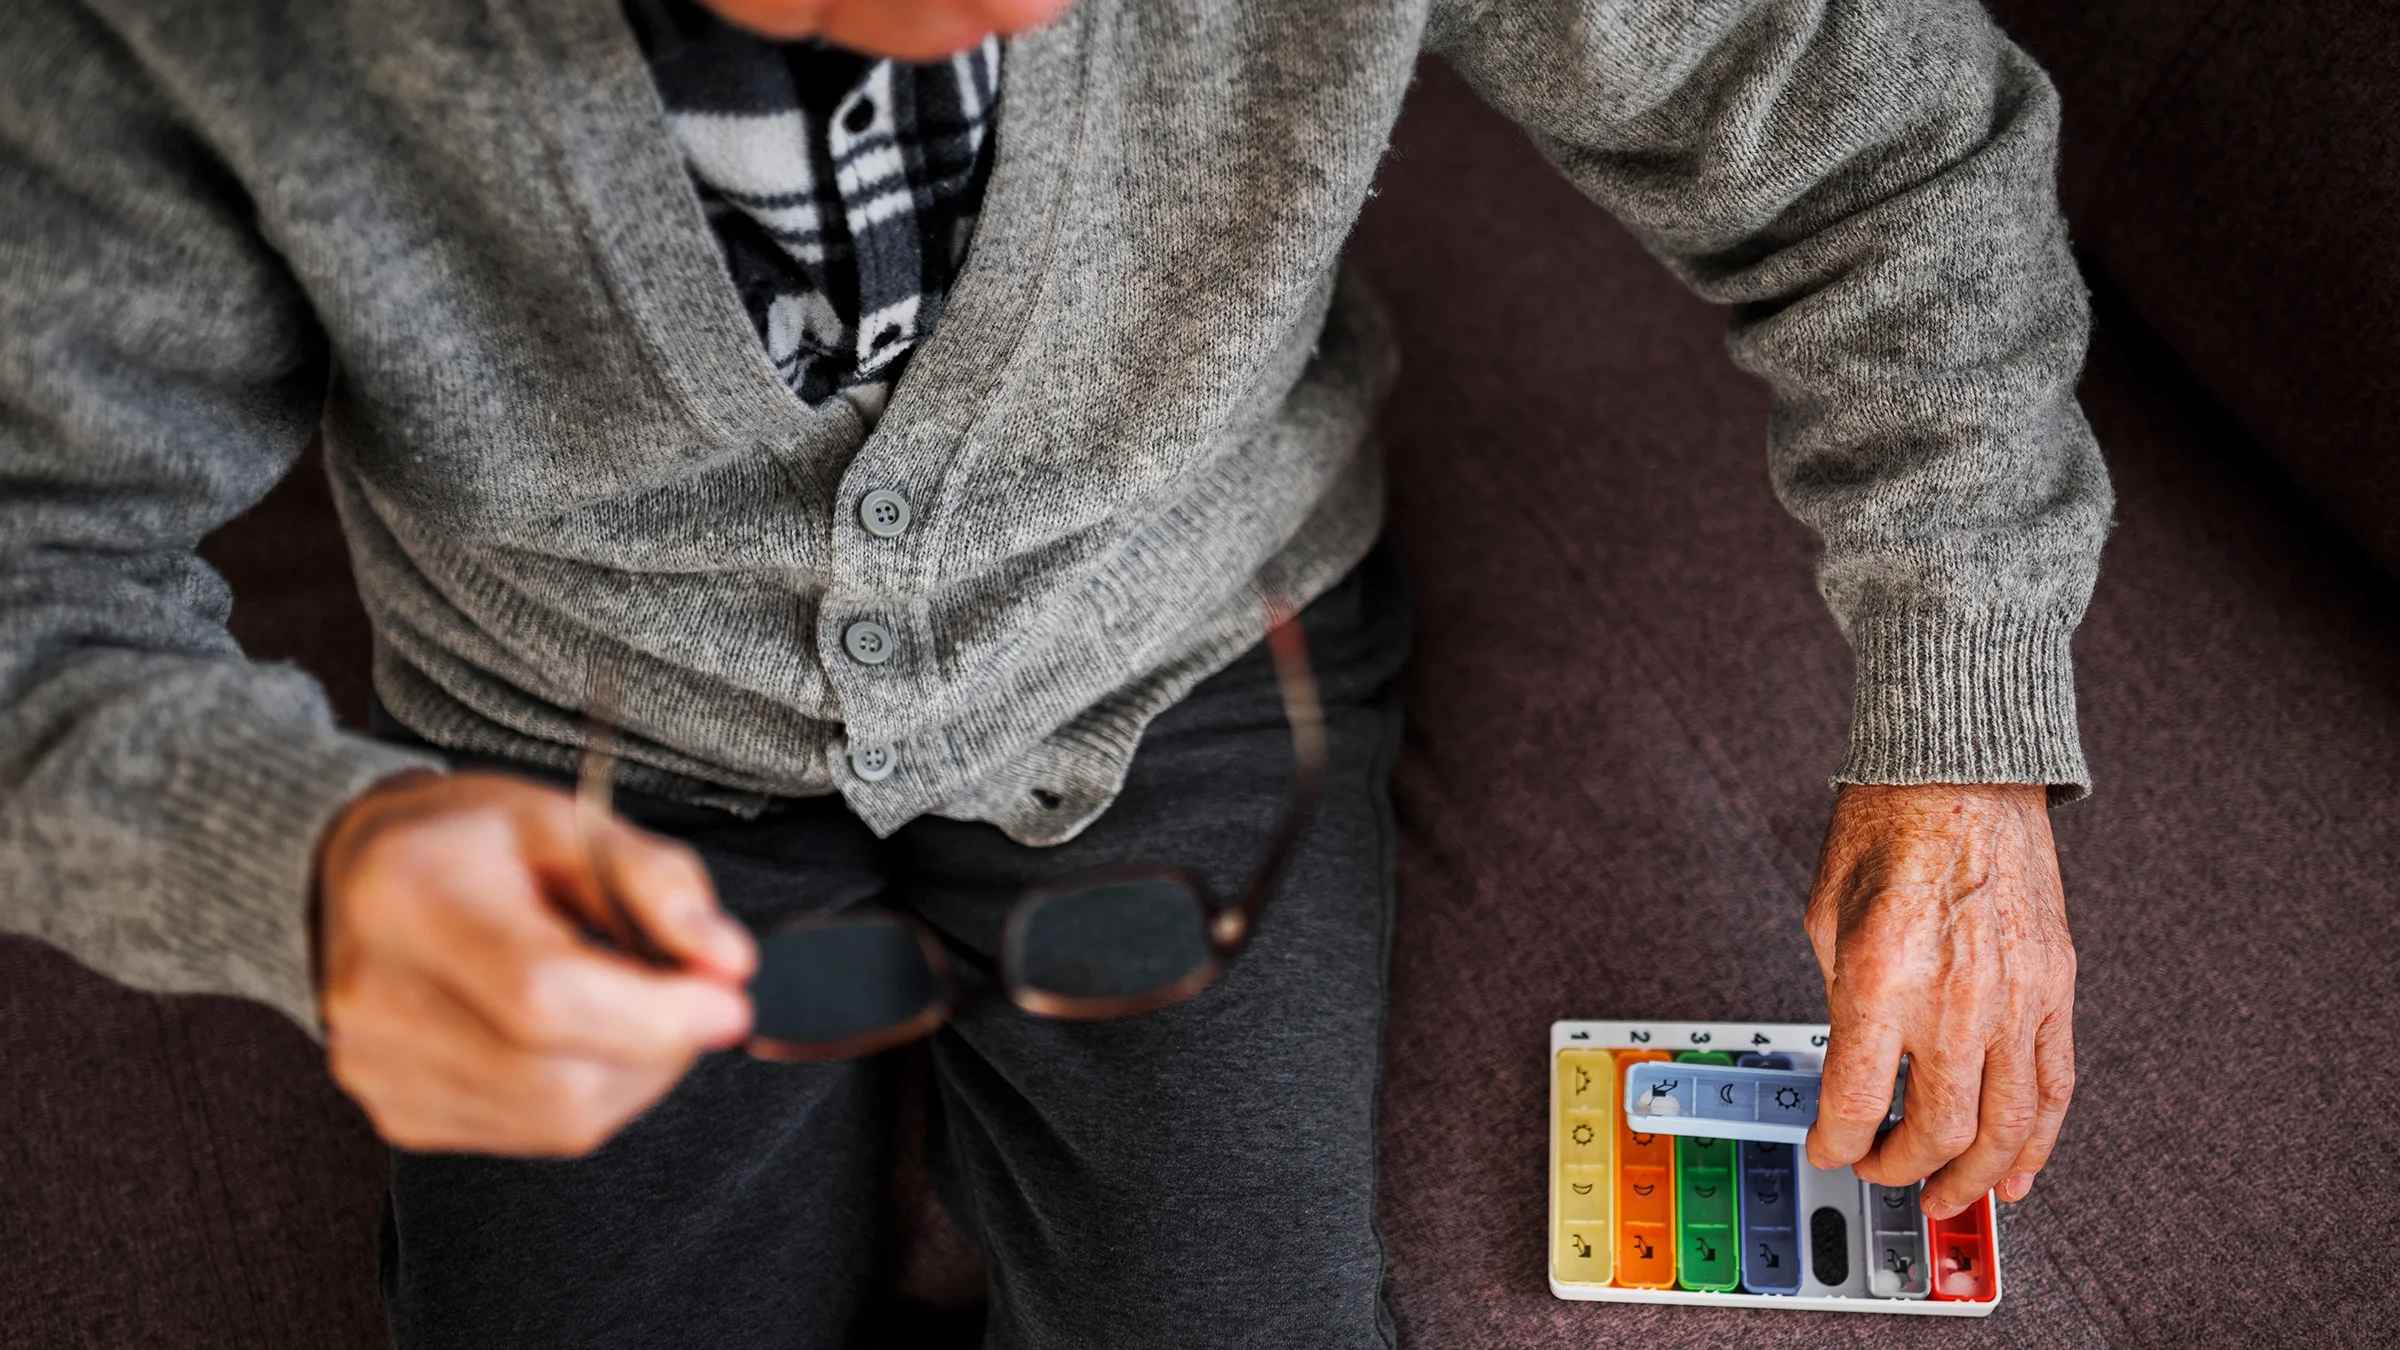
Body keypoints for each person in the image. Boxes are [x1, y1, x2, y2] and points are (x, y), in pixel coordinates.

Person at [0, 0, 2107, 1344]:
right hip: (566, 726)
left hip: (1187, 652)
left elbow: (1882, 148)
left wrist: (1962, 710)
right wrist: (315, 873)